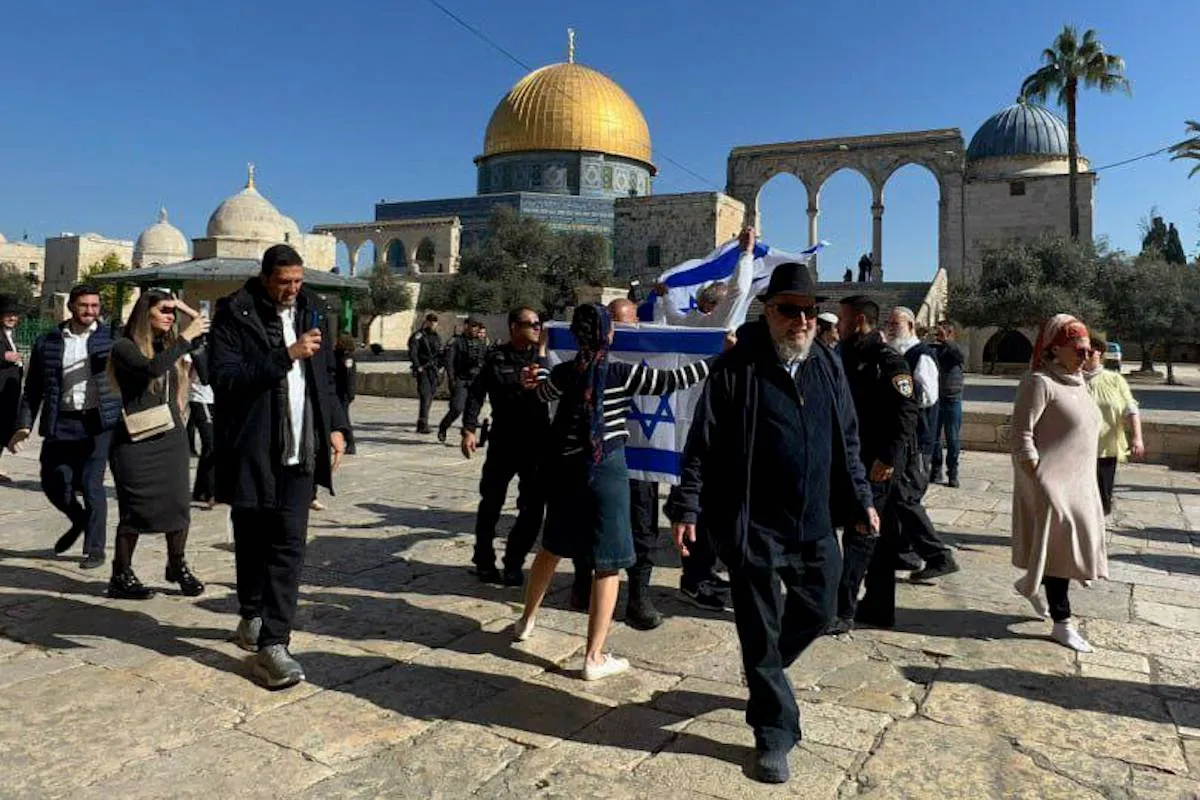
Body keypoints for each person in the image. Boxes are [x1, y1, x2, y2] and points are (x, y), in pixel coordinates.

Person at [672, 264, 876, 785]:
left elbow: (848, 441)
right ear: (769, 311)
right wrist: (687, 508)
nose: (801, 321)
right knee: (759, 633)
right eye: (790, 310)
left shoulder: (826, 364)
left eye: (808, 311)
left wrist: (860, 500)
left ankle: (764, 673)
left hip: (812, 524)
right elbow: (702, 443)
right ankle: (773, 733)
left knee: (822, 606)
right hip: (751, 526)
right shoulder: (736, 367)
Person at [512, 304, 712, 682]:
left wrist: (540, 354)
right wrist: (717, 357)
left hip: (566, 470)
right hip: (606, 469)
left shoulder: (565, 372)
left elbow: (540, 394)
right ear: (608, 334)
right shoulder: (622, 372)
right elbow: (673, 380)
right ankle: (594, 656)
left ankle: (526, 620)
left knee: (551, 547)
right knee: (608, 563)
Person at [209, 244, 349, 689]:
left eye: (298, 281)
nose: (293, 289)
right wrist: (285, 355)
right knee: (251, 537)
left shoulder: (313, 310)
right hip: (253, 447)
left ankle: (275, 642)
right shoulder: (235, 313)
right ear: (266, 277)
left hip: (300, 449)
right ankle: (250, 614)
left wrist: (337, 427)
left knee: (290, 542)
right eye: (285, 282)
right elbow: (225, 379)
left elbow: (325, 378)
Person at [570, 297, 671, 630]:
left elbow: (674, 380)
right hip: (600, 458)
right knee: (589, 521)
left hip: (643, 452)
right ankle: (583, 585)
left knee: (642, 525)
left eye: (624, 324)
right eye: (613, 324)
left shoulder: (647, 357)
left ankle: (638, 597)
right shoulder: (587, 364)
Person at [828, 295, 927, 634]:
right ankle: (879, 607)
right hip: (851, 459)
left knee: (861, 532)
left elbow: (907, 411)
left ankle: (842, 609)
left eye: (842, 320)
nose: (837, 326)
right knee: (880, 538)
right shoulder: (845, 355)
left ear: (857, 321)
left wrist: (887, 458)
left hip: (875, 463)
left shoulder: (886, 360)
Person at [105, 290, 210, 599]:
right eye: (163, 310)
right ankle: (120, 574)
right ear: (144, 313)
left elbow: (205, 329)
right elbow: (149, 369)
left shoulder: (168, 345)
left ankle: (176, 565)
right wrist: (184, 338)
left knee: (178, 505)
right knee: (134, 510)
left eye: (172, 312)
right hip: (136, 442)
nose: (170, 317)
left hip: (170, 438)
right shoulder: (124, 348)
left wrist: (185, 308)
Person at [1011, 314, 1105, 653]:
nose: (1085, 354)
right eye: (1077, 349)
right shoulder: (1039, 382)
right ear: (1055, 349)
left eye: (1088, 348)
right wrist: (1035, 474)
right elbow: (1021, 432)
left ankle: (1030, 583)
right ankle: (1062, 622)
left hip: (1081, 482)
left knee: (1073, 547)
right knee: (1060, 552)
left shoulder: (1081, 382)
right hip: (1052, 484)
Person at [9, 284, 121, 569]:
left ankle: (95, 549)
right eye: (84, 306)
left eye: (95, 306)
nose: (90, 311)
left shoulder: (111, 338)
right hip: (62, 420)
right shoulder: (48, 341)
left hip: (98, 421)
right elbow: (33, 388)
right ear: (71, 306)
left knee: (91, 482)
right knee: (53, 480)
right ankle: (79, 519)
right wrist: (23, 425)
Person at [461, 307, 549, 586]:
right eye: (530, 323)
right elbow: (476, 393)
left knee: (534, 507)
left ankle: (514, 560)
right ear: (513, 326)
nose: (537, 328)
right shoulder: (496, 357)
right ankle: (484, 560)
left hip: (536, 442)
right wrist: (469, 428)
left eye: (539, 323)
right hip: (503, 440)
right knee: (491, 502)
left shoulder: (546, 358)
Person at [884, 306, 959, 581]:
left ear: (912, 326)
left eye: (897, 324)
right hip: (903, 439)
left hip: (919, 441)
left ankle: (939, 556)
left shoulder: (921, 355)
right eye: (889, 323)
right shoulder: (897, 354)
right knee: (896, 498)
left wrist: (897, 393)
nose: (892, 328)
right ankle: (904, 554)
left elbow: (928, 396)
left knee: (906, 498)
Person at [651, 228, 758, 331]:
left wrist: (664, 295)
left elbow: (671, 314)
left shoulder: (685, 323)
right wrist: (747, 252)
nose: (727, 306)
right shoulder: (716, 324)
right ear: (708, 306)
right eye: (723, 302)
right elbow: (738, 290)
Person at [1084, 335, 1144, 515]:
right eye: (1082, 351)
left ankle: (1096, 536)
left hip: (1105, 449)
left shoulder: (1115, 380)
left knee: (1102, 498)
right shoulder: (1070, 379)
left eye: (1091, 351)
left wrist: (1137, 437)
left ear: (1100, 353)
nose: (1086, 355)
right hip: (1075, 448)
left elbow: (1130, 409)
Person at [438, 317, 487, 443]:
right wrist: (451, 379)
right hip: (461, 379)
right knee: (457, 407)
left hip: (476, 381)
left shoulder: (481, 343)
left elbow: (486, 361)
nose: (475, 329)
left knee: (472, 410)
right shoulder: (457, 342)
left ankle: (468, 435)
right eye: (472, 326)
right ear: (466, 326)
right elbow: (449, 361)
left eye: (476, 326)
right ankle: (444, 426)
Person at [929, 320, 965, 487]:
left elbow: (959, 356)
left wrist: (947, 341)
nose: (940, 336)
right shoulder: (934, 350)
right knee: (934, 438)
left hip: (952, 399)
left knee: (952, 439)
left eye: (943, 333)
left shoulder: (955, 349)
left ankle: (953, 474)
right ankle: (935, 471)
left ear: (951, 334)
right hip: (936, 399)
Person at [186, 346, 217, 508]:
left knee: (211, 447)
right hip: (201, 398)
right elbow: (186, 372)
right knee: (210, 445)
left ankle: (201, 489)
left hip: (217, 398)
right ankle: (211, 493)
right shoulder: (197, 345)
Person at [0, 295, 24, 483]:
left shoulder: (10, 334)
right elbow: (5, 355)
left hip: (9, 393)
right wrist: (4, 356)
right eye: (8, 314)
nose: (12, 318)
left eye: (15, 315)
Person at [408, 313, 442, 434]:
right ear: (426, 322)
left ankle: (423, 421)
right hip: (423, 369)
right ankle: (422, 423)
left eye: (435, 322)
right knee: (425, 395)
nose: (433, 324)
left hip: (433, 370)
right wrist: (418, 367)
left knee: (431, 395)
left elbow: (438, 353)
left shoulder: (436, 336)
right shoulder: (419, 335)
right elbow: (413, 352)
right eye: (430, 322)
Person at [334, 332, 358, 456]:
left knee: (344, 419)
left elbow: (349, 377)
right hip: (337, 392)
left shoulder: (348, 358)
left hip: (344, 393)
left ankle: (350, 443)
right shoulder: (338, 355)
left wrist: (350, 393)